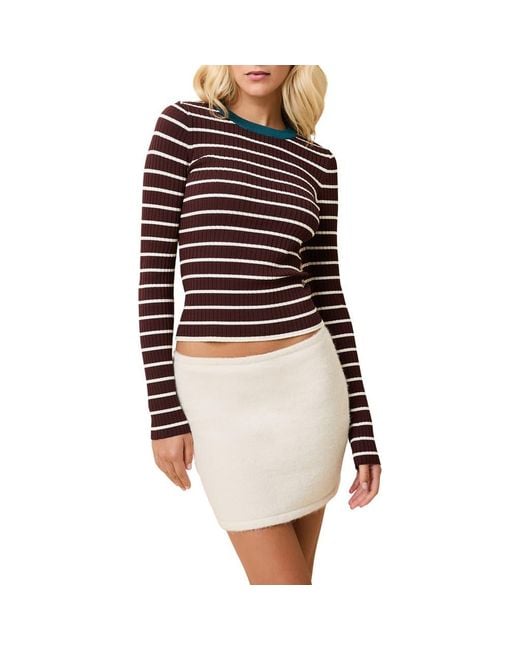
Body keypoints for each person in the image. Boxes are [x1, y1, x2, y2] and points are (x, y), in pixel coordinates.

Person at [138, 65, 382, 585]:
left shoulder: (318, 162)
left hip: (309, 389)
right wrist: (163, 412)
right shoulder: (183, 126)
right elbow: (153, 277)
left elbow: (330, 295)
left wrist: (363, 430)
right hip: (218, 402)